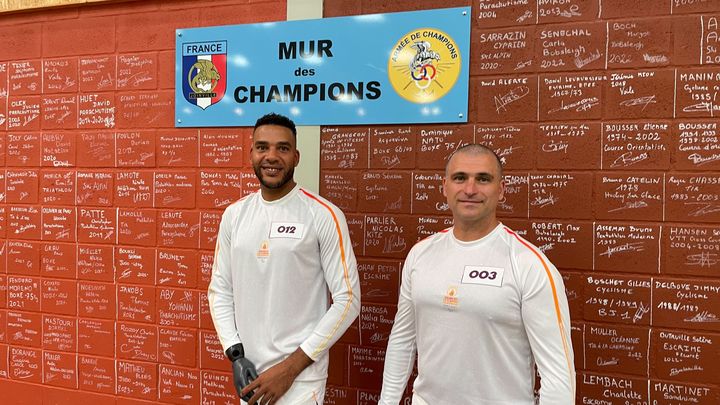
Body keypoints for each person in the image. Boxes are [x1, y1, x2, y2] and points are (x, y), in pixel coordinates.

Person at [379, 144, 575, 405]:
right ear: (444, 187)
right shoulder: (420, 254)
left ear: (501, 190)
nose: (470, 190)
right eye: (460, 178)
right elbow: (402, 339)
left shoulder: (529, 264)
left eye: (483, 179)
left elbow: (558, 375)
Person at [208, 112, 361, 405]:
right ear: (251, 153)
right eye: (263, 147)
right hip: (251, 376)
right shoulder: (235, 215)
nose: (272, 156)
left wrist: (290, 369)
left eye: (283, 148)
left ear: (296, 156)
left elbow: (348, 299)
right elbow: (219, 290)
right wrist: (235, 354)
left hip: (301, 381)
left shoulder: (323, 215)